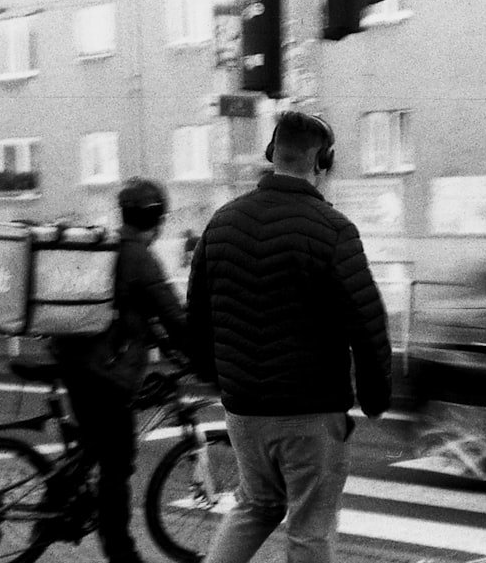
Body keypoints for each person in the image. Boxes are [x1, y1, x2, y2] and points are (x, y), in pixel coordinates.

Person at [186, 110, 392, 563]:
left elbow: (196, 315)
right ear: (324, 162)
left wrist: (217, 379)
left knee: (255, 505)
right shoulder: (334, 230)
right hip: (310, 412)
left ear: (270, 154)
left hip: (244, 409)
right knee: (310, 526)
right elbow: (368, 321)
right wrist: (375, 396)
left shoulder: (222, 222)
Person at [51, 177, 189, 563]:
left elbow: (136, 315)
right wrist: (204, 353)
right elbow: (174, 316)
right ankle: (121, 554)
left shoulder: (110, 248)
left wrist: (163, 342)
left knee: (91, 447)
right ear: (156, 218)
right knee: (117, 462)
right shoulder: (139, 256)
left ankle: (52, 514)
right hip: (106, 374)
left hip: (78, 362)